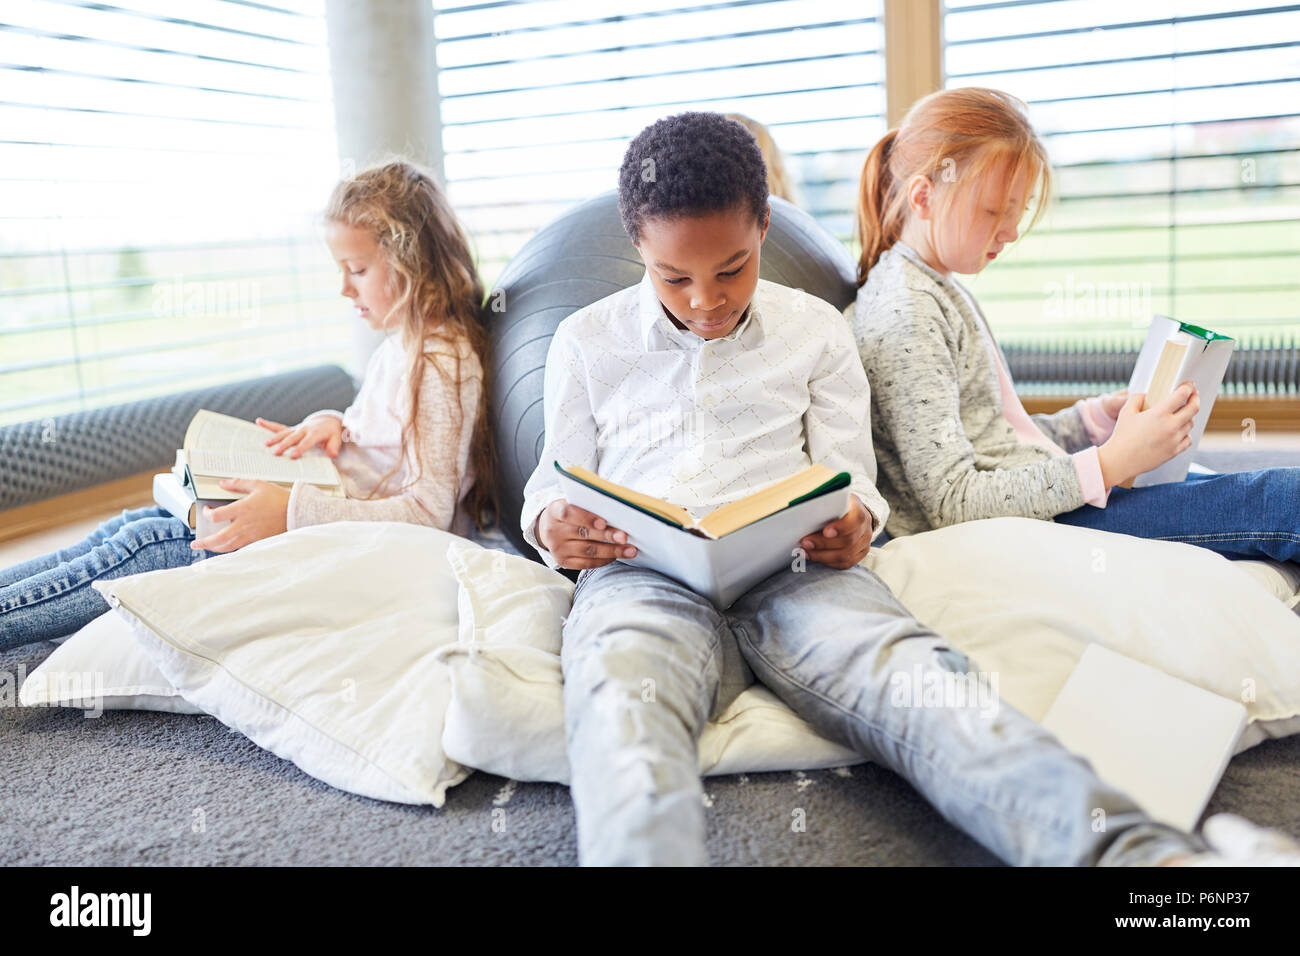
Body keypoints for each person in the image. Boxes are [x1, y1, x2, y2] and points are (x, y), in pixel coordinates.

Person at [518, 111, 1294, 867]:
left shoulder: (816, 329)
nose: (705, 301)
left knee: (930, 692)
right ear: (636, 247)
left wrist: (857, 519)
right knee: (624, 713)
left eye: (732, 269)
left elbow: (853, 475)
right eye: (673, 277)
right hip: (641, 574)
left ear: (764, 228)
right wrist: (553, 525)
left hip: (798, 567)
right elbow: (553, 486)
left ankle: (1144, 860)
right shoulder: (586, 341)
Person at [0, 160, 496, 646]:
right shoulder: (407, 346)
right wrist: (334, 424)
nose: (344, 288)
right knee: (128, 524)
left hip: (342, 541)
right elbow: (387, 441)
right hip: (326, 512)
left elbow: (429, 512)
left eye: (358, 270)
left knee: (146, 544)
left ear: (412, 263)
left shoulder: (439, 365)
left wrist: (291, 512)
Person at [849, 87, 1300, 564]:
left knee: (1254, 490)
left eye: (1016, 212)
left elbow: (993, 440)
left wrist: (1086, 426)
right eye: (993, 211)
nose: (1011, 230)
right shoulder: (906, 313)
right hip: (1031, 528)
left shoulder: (936, 286)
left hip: (1043, 506)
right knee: (1283, 498)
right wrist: (1110, 463)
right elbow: (954, 500)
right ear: (924, 196)